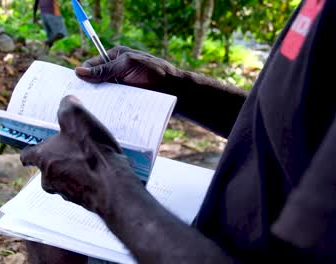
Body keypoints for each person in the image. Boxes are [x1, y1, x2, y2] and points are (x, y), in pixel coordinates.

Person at [20, 0, 336, 263]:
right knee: (46, 232)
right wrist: (179, 87)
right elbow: (294, 124)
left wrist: (105, 186)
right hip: (213, 227)